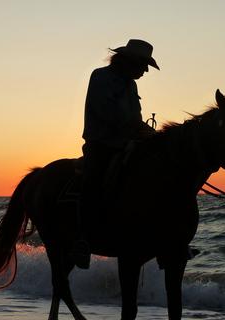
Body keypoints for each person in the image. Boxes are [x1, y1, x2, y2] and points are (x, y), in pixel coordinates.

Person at [70, 39, 159, 269]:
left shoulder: (131, 85)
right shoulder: (100, 77)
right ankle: (82, 239)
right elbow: (107, 111)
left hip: (130, 142)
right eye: (143, 65)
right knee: (93, 180)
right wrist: (138, 126)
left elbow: (135, 116)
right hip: (102, 143)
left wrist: (143, 132)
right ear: (129, 62)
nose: (145, 70)